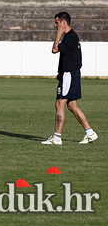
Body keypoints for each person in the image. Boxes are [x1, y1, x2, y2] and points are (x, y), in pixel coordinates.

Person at [41, 12, 98, 145]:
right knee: (72, 105)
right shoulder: (71, 37)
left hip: (70, 74)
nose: (55, 25)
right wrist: (61, 72)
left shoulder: (69, 37)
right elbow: (68, 56)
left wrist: (59, 33)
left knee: (59, 103)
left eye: (57, 23)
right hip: (70, 73)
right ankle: (90, 133)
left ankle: (57, 137)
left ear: (63, 23)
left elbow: (55, 49)